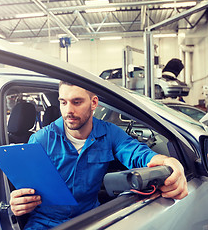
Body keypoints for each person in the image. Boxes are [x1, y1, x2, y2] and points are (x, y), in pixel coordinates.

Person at [10, 81, 188, 229]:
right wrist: (19, 203)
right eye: (63, 102)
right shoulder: (40, 140)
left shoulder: (109, 133)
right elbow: (27, 190)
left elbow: (139, 154)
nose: (68, 111)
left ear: (94, 103)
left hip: (91, 220)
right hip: (46, 224)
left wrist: (170, 162)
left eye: (77, 102)